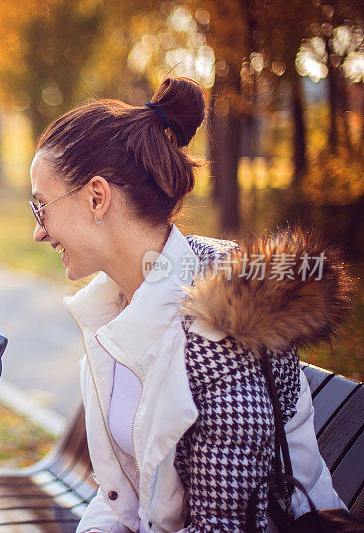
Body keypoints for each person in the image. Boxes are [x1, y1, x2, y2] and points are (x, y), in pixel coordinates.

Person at [29, 77, 351, 532]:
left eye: (40, 207)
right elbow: (123, 497)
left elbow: (226, 524)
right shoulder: (111, 305)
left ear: (97, 197)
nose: (37, 231)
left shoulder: (223, 325)